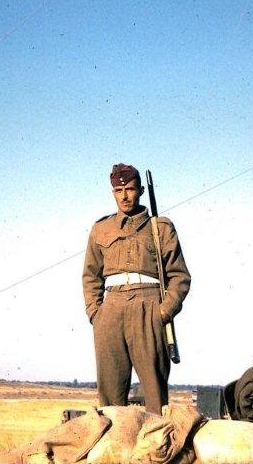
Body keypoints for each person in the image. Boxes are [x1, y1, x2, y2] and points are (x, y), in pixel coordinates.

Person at [82, 163, 190, 414]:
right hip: (110, 310)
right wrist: (95, 314)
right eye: (119, 191)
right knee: (109, 400)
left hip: (149, 306)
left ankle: (157, 451)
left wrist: (163, 312)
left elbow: (180, 276)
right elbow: (90, 276)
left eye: (130, 189)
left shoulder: (160, 227)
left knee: (154, 395)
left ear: (140, 190)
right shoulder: (101, 228)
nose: (125, 196)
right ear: (113, 193)